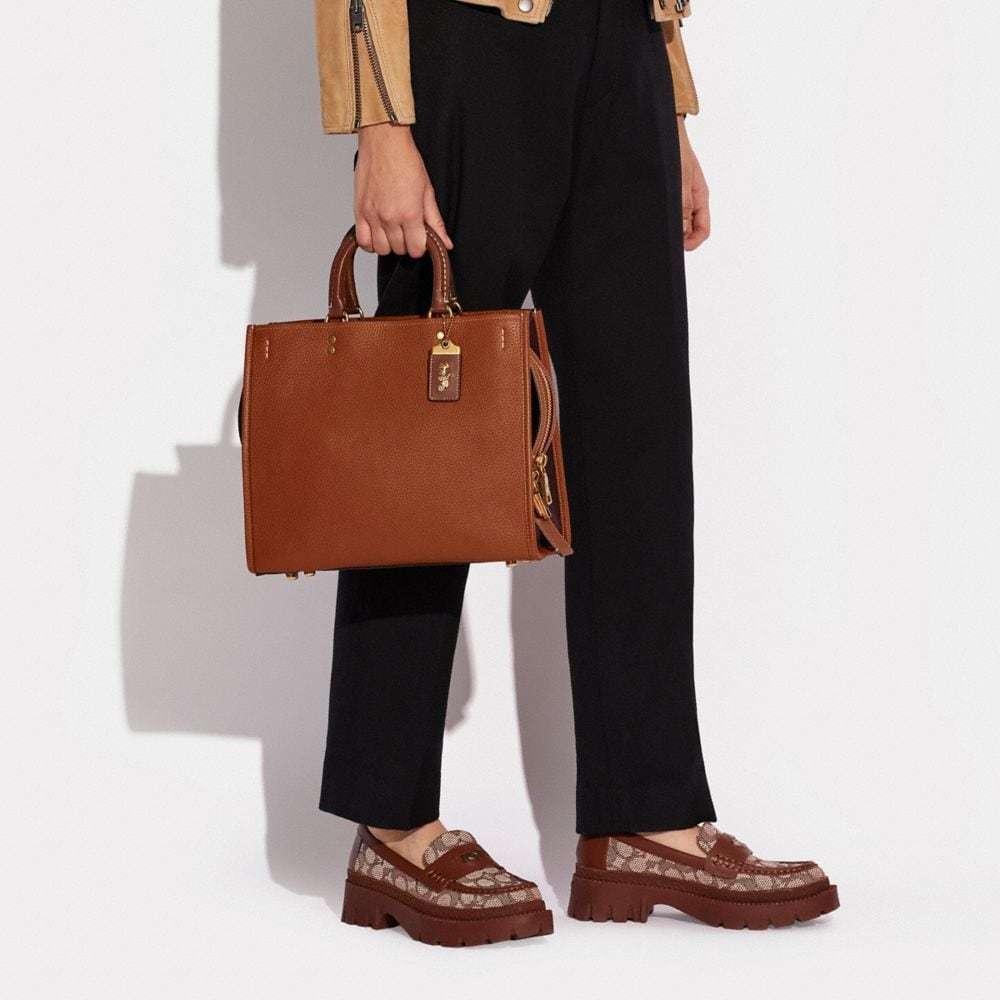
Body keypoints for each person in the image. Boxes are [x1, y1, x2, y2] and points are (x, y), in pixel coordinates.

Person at [312, 0, 839, 945]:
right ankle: (391, 824)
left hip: (624, 47)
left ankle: (647, 817)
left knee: (638, 436)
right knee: (426, 444)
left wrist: (669, 103)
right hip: (471, 44)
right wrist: (380, 124)